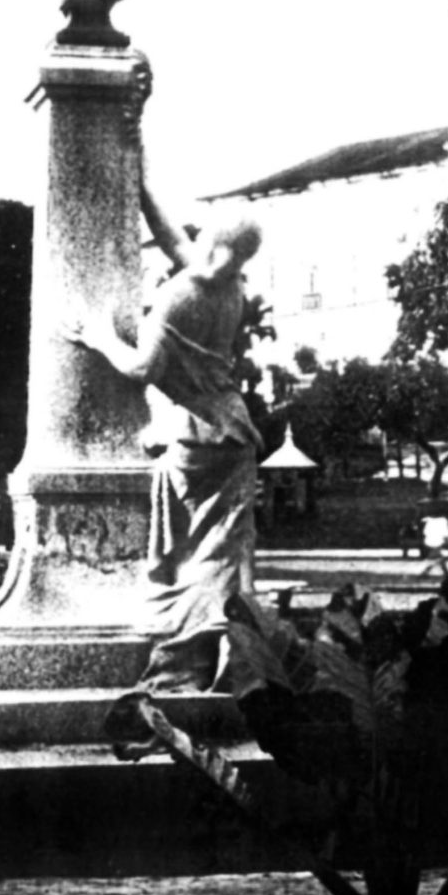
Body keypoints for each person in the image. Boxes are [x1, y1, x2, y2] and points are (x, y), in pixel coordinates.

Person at [68, 76, 263, 692]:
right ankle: (229, 655)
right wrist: (136, 139)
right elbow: (166, 223)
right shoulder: (231, 290)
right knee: (225, 555)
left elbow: (139, 371)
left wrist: (97, 335)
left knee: (191, 558)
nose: (195, 235)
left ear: (216, 243)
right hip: (234, 432)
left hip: (191, 440)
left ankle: (183, 660)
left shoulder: (180, 297)